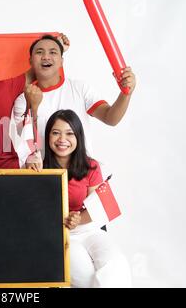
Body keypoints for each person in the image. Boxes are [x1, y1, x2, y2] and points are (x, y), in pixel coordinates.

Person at [38, 109, 131, 287]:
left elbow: (95, 207)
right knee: (85, 275)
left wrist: (78, 218)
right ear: (47, 136)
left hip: (90, 229)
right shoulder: (39, 168)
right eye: (56, 133)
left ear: (78, 137)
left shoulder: (91, 166)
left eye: (69, 133)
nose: (62, 139)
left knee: (115, 263)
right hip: (61, 235)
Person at [13, 34, 136, 166]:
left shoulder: (80, 88)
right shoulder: (23, 99)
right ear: (30, 61)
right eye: (39, 52)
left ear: (61, 61)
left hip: (81, 176)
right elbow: (24, 144)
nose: (46, 57)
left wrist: (126, 93)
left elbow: (110, 118)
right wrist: (33, 107)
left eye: (53, 52)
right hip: (46, 177)